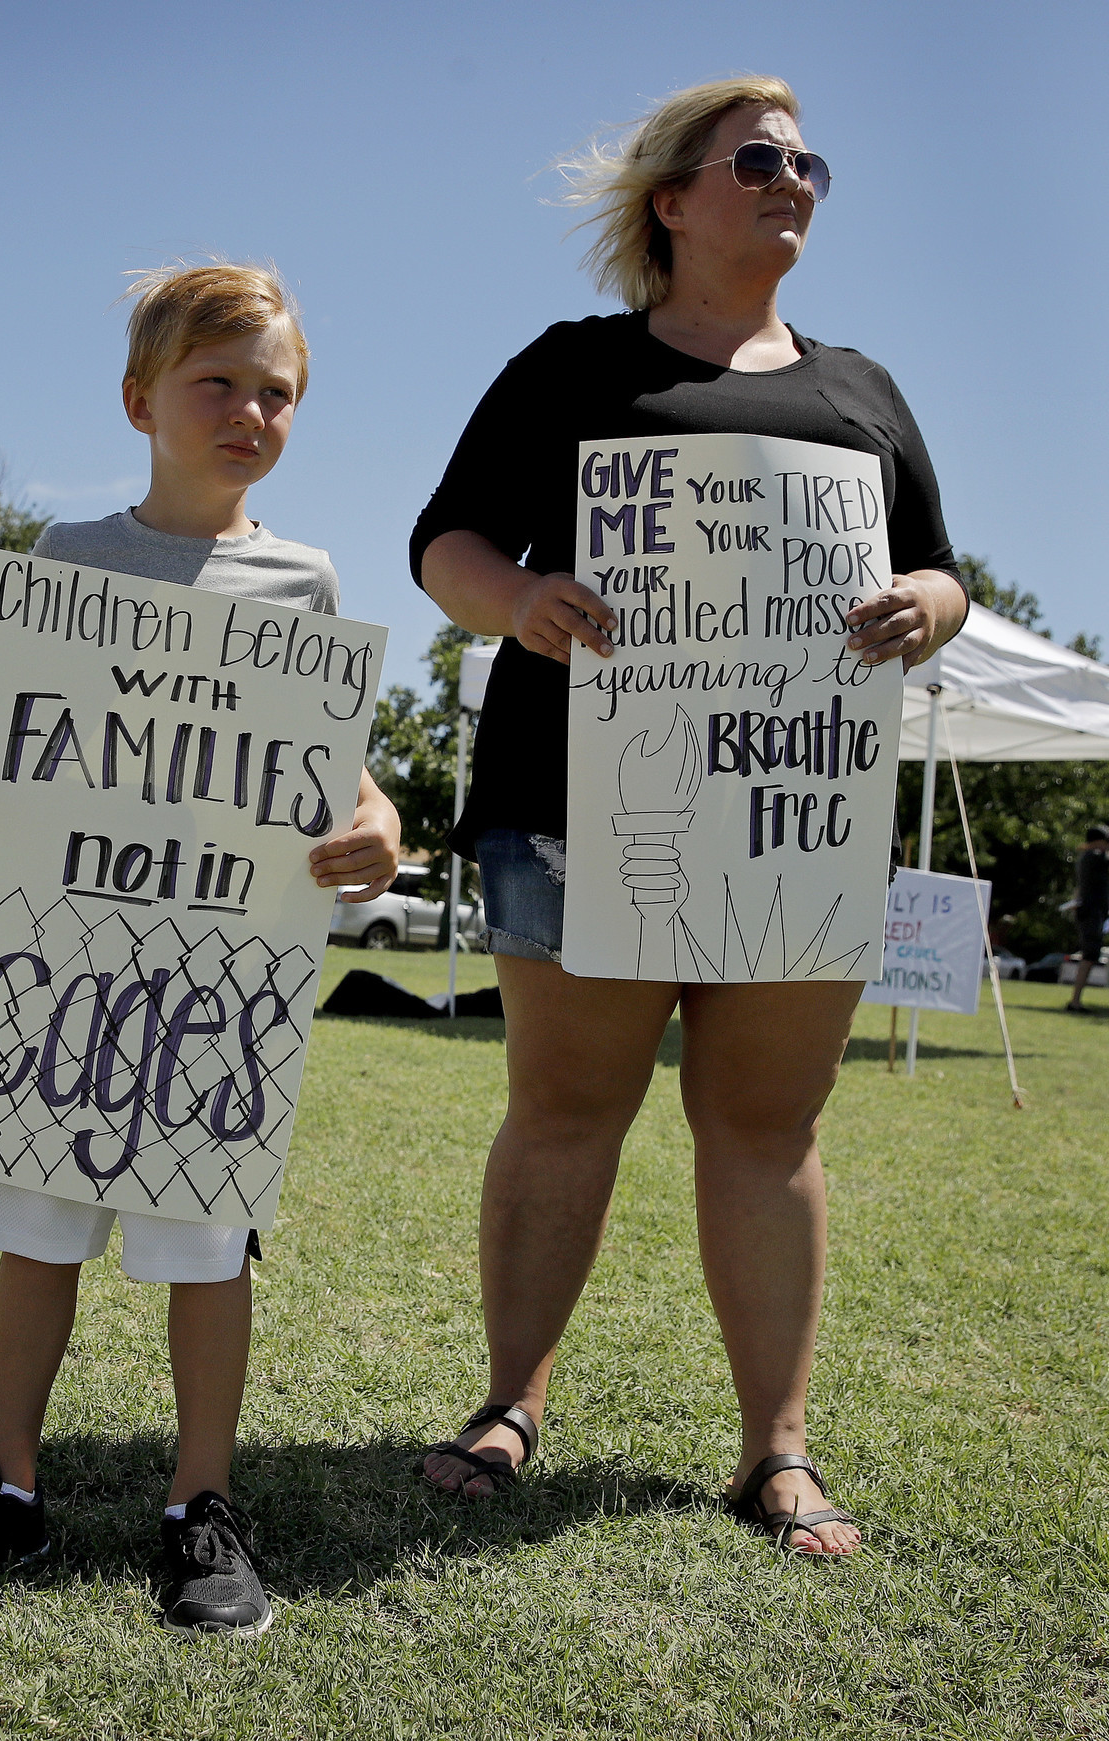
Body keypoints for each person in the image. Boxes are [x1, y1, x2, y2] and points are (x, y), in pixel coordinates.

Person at [411, 77, 968, 1555]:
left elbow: (943, 570)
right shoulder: (573, 367)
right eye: (762, 159)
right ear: (674, 199)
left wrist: (931, 601)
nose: (796, 180)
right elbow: (446, 543)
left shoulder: (863, 392)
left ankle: (774, 1452)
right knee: (564, 1109)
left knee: (768, 1125)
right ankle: (510, 1401)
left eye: (810, 162)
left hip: (796, 813)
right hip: (574, 802)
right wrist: (520, 598)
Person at [0, 262, 402, 1633]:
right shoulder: (69, 560)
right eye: (218, 382)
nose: (249, 411)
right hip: (62, 972)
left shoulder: (305, 581)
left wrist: (381, 822)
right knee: (35, 1219)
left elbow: (334, 775)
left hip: (213, 982)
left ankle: (200, 1504)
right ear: (140, 399)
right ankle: (7, 1484)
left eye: (275, 392)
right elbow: (0, 736)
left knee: (205, 1240)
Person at [1067, 824, 1109, 1011]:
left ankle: (1076, 1000)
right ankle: (1075, 1001)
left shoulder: (1087, 858)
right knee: (1090, 955)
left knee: (1090, 955)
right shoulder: (1095, 857)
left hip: (1091, 912)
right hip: (1092, 913)